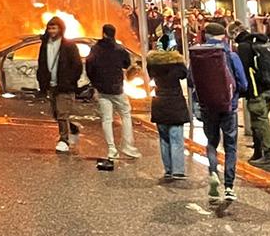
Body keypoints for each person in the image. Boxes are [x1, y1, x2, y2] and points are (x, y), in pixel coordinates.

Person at [189, 21, 248, 204]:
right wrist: (236, 95)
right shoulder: (230, 55)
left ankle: (213, 172)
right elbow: (242, 82)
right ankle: (229, 186)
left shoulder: (197, 55)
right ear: (223, 36)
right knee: (230, 146)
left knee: (211, 143)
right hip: (228, 106)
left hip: (207, 107)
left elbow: (191, 81)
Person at [86, 23, 137, 161]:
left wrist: (95, 83)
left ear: (103, 33)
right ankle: (127, 145)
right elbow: (127, 64)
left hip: (102, 89)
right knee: (125, 114)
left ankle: (111, 149)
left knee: (106, 119)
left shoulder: (95, 49)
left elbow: (89, 67)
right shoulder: (119, 49)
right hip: (116, 88)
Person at [34, 16, 84, 153]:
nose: (51, 31)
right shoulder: (44, 45)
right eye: (49, 28)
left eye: (54, 28)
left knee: (62, 114)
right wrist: (42, 83)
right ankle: (72, 129)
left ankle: (64, 140)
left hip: (65, 86)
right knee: (56, 114)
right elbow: (41, 64)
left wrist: (70, 81)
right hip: (51, 86)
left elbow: (77, 66)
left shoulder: (69, 46)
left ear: (60, 29)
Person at [146, 40, 191, 181]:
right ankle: (178, 170)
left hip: (159, 102)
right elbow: (185, 74)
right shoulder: (176, 64)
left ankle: (168, 169)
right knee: (176, 138)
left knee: (164, 139)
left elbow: (150, 75)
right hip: (175, 102)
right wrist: (178, 58)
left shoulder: (152, 64)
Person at [240, 30, 270, 164]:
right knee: (262, 119)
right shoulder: (265, 45)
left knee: (260, 121)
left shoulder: (245, 48)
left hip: (256, 90)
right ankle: (260, 153)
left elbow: (244, 70)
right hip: (268, 88)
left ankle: (268, 155)